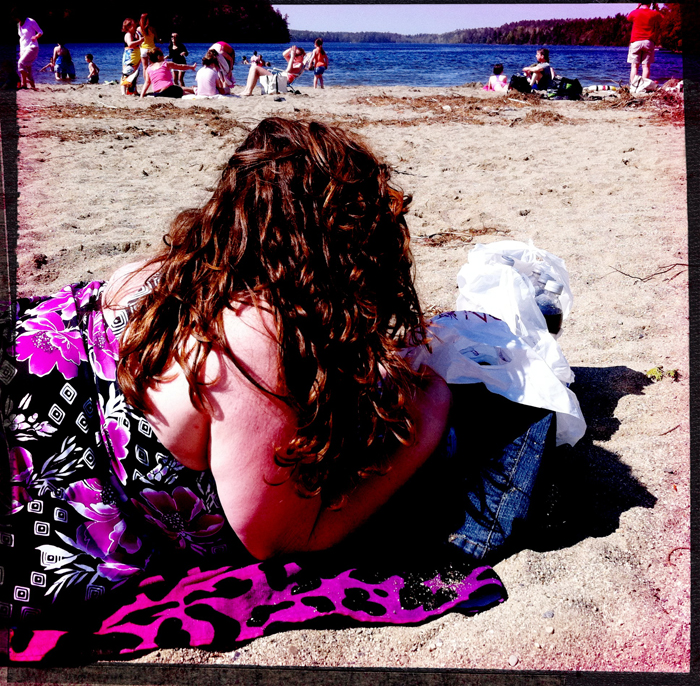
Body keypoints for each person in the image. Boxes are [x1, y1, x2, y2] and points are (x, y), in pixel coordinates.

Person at [2, 118, 556, 632]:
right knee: (511, 425)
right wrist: (427, 421)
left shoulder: (162, 273)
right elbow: (281, 539)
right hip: (38, 513)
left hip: (28, 376)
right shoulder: (254, 337)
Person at [626, 0, 663, 84]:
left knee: (634, 66)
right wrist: (657, 8)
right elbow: (662, 18)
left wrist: (637, 7)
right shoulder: (653, 13)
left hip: (636, 41)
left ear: (641, 2)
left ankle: (633, 86)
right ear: (650, 3)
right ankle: (642, 87)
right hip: (648, 42)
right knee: (646, 66)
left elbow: (628, 18)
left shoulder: (635, 12)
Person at [241, 44, 305, 96]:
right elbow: (284, 54)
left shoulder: (299, 65)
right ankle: (247, 90)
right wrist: (291, 49)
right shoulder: (294, 63)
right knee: (253, 68)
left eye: (296, 55)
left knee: (255, 68)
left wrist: (292, 56)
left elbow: (288, 70)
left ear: (302, 55)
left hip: (281, 80)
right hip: (279, 78)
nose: (295, 57)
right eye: (294, 55)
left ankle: (249, 91)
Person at [12, 10, 42, 90]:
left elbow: (40, 31)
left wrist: (35, 36)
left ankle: (24, 84)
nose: (16, 20)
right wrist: (21, 51)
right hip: (23, 48)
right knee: (28, 67)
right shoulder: (18, 24)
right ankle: (32, 86)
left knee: (20, 63)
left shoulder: (30, 21)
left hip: (32, 46)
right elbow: (22, 38)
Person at [121, 18, 143, 95]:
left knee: (135, 74)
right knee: (126, 73)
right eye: (133, 25)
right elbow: (130, 44)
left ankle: (133, 90)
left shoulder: (135, 34)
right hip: (129, 58)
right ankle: (123, 92)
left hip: (136, 57)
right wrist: (140, 41)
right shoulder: (128, 35)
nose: (135, 26)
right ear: (128, 27)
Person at [137, 13, 158, 79]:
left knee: (145, 67)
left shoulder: (139, 29)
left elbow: (138, 39)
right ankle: (153, 79)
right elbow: (157, 39)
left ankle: (146, 81)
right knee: (153, 65)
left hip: (143, 49)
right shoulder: (152, 29)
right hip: (152, 48)